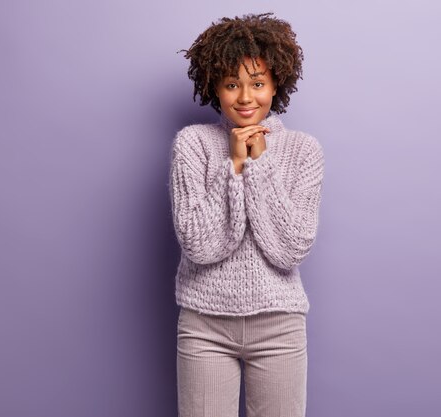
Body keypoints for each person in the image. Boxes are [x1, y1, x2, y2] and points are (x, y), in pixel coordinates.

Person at [169, 12, 325, 417]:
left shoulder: (304, 151)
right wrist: (234, 167)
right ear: (214, 87)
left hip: (279, 325)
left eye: (257, 84)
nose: (245, 98)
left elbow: (289, 250)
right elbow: (200, 246)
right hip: (205, 324)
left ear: (276, 85)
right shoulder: (193, 145)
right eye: (231, 84)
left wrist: (260, 163)